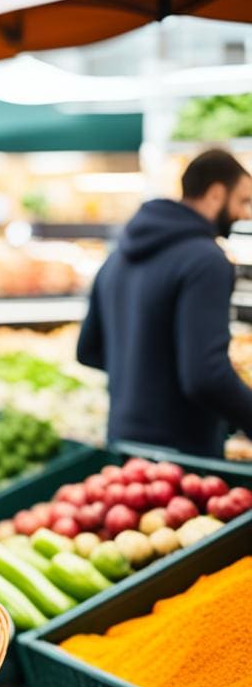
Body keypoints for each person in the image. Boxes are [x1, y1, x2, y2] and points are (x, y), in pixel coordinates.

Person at [78, 149, 252, 457]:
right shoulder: (206, 260)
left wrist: (143, 371)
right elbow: (205, 377)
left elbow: (88, 350)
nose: (246, 214)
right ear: (215, 194)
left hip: (122, 443)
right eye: (244, 200)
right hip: (181, 456)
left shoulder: (117, 257)